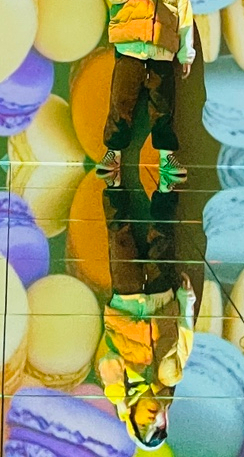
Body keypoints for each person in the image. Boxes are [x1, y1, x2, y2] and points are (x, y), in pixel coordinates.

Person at [96, 0, 194, 190]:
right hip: (130, 55)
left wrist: (186, 51)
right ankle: (113, 155)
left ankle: (166, 159)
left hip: (162, 57)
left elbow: (185, 18)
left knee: (163, 110)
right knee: (120, 106)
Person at [98, 185, 195, 450]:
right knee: (161, 240)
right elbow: (184, 340)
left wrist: (119, 395)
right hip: (162, 303)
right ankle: (167, 186)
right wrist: (186, 303)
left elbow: (107, 361)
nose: (152, 422)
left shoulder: (120, 389)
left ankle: (114, 183)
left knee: (120, 240)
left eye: (143, 426)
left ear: (131, 419)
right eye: (159, 428)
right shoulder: (170, 378)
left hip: (126, 306)